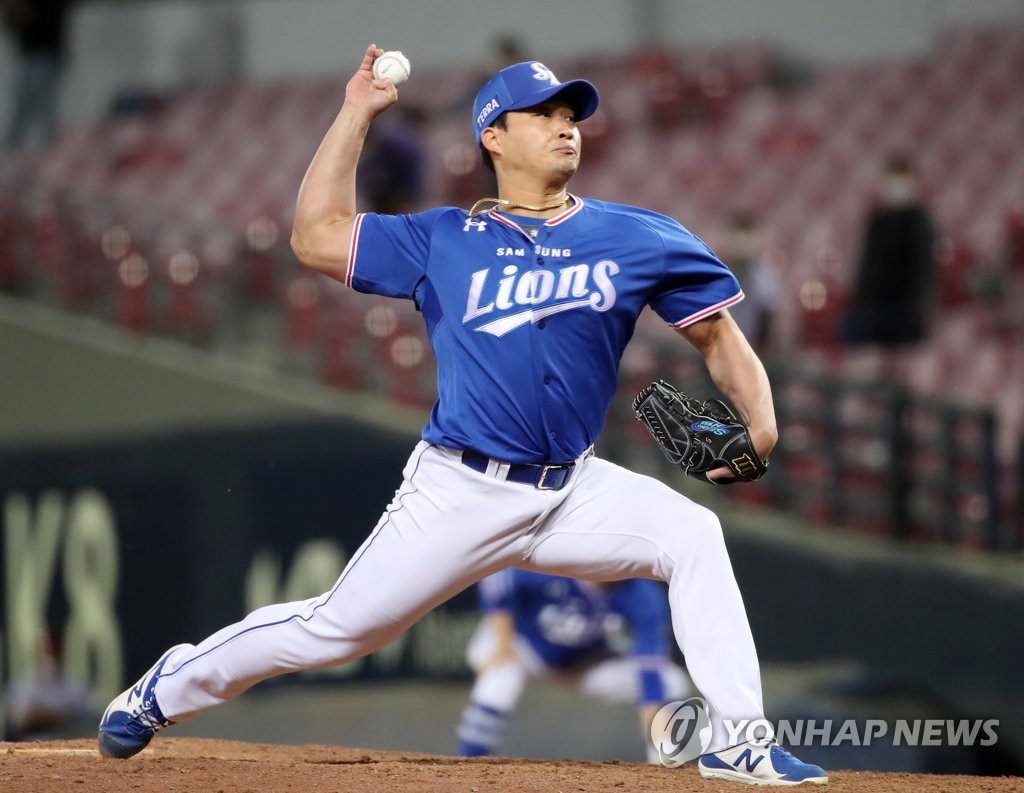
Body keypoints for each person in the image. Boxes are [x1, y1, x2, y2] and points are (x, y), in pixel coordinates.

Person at [97, 45, 828, 786]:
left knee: (693, 533)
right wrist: (356, 113)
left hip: (573, 488)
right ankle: (167, 687)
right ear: (493, 137)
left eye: (570, 113)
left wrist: (760, 426)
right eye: (541, 114)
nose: (564, 125)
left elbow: (717, 334)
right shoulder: (442, 239)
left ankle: (739, 742)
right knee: (336, 629)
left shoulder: (637, 235)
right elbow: (314, 236)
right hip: (460, 488)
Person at [456, 570, 690, 763]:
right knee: (496, 678)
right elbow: (496, 579)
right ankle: (469, 766)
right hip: (524, 648)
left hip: (583, 664)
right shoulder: (555, 564)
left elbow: (649, 674)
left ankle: (662, 763)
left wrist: (656, 733)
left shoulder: (641, 595)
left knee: (671, 681)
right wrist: (504, 641)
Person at [841, 153, 938, 347]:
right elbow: (867, 265)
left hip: (904, 311)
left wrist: (918, 306)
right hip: (875, 309)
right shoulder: (878, 221)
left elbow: (925, 268)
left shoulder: (919, 222)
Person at [1, 0, 74, 151]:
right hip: (31, 57)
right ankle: (17, 149)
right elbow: (13, 23)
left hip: (44, 56)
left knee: (42, 110)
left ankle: (42, 150)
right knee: (28, 109)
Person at [719, 209, 782, 351]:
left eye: (747, 233)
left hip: (750, 347)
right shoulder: (715, 270)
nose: (742, 241)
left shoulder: (765, 276)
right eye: (738, 232)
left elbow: (768, 316)